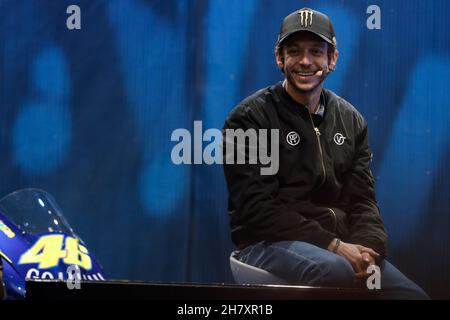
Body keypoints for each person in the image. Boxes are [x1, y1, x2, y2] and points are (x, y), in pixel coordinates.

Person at [222, 8, 429, 299]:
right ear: (279, 58)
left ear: (332, 59)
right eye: (294, 51)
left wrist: (368, 250)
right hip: (266, 243)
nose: (305, 61)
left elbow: (363, 201)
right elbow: (257, 209)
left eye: (316, 52)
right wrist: (335, 245)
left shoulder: (351, 119)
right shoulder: (249, 118)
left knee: (412, 296)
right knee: (334, 271)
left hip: (338, 246)